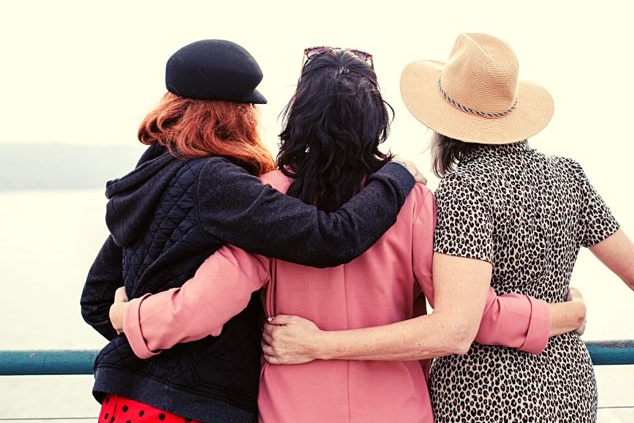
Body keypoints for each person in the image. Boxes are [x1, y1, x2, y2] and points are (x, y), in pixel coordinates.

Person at [108, 46, 588, 423]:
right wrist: (559, 314)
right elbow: (469, 318)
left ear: (298, 116)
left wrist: (130, 314)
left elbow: (198, 309)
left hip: (292, 412)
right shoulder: (414, 201)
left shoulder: (268, 198)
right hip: (399, 413)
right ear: (375, 120)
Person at [254, 33, 634, 422]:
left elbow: (461, 322)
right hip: (559, 390)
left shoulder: (458, 194)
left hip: (472, 395)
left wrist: (315, 344)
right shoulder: (563, 177)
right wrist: (567, 312)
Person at [80, 39, 421, 423]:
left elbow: (95, 301)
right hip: (195, 407)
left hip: (124, 401)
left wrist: (136, 328)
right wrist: (396, 176)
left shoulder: (148, 178)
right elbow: (331, 238)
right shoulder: (219, 182)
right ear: (240, 113)